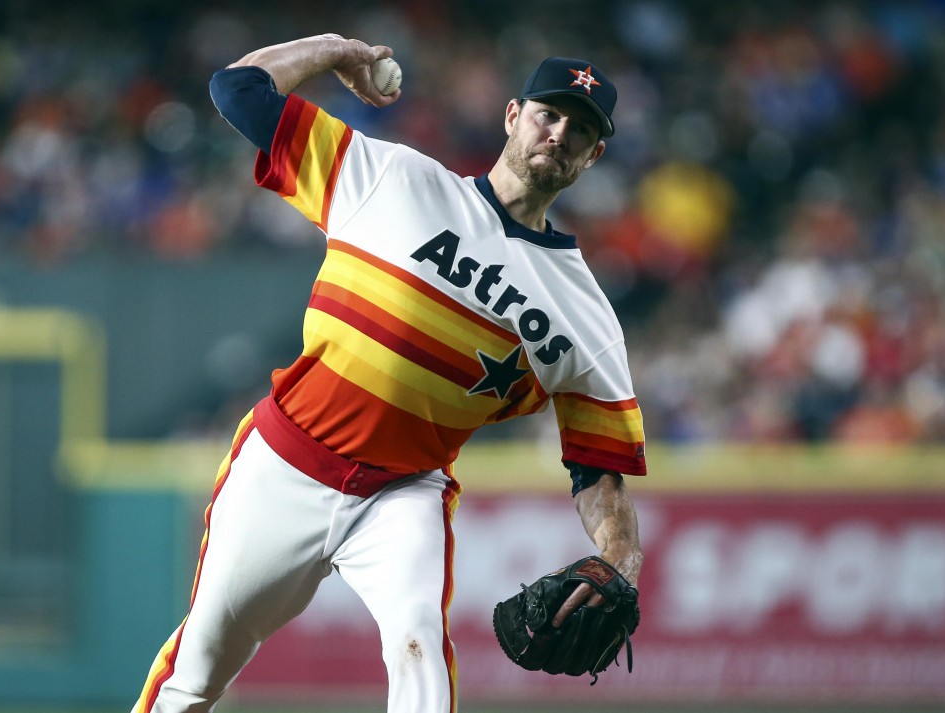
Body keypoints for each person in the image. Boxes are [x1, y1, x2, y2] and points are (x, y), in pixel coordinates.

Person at [133, 33, 646, 713]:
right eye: (549, 114)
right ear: (513, 114)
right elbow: (238, 90)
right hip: (285, 463)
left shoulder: (586, 315)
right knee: (196, 672)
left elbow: (597, 467)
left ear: (594, 155)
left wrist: (621, 560)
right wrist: (335, 49)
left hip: (403, 492)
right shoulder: (390, 176)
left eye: (580, 129)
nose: (559, 133)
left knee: (420, 658)